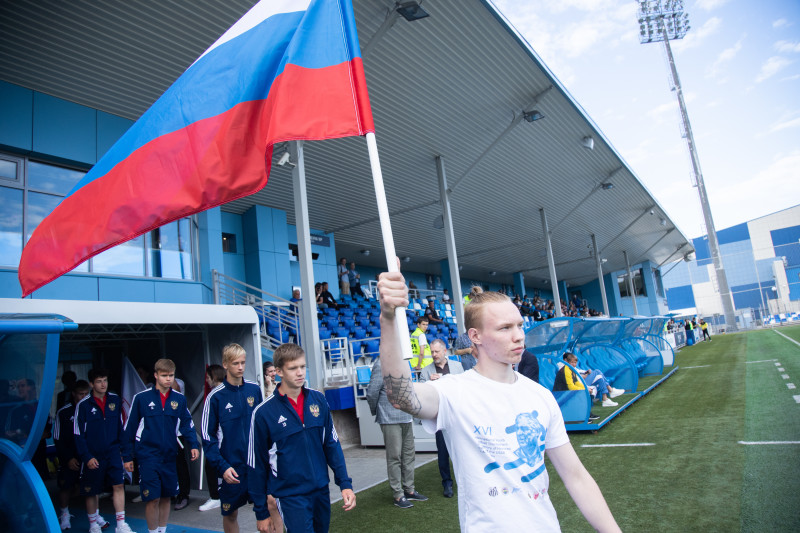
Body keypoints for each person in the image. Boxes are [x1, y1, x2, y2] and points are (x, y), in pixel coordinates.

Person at [376, 268, 621, 533]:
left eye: (519, 325)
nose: (518, 335)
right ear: (476, 337)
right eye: (505, 328)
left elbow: (577, 478)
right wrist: (388, 318)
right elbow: (401, 396)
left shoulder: (540, 396)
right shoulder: (454, 391)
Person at [248, 343, 356, 533]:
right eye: (293, 368)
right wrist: (261, 511)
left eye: (302, 367)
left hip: (321, 489)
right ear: (279, 371)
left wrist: (344, 483)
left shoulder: (318, 400)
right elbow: (256, 464)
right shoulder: (263, 413)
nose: (300, 373)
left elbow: (331, 444)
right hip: (290, 494)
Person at [123, 358, 200, 533]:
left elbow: (187, 423)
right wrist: (127, 456)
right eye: (164, 375)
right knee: (152, 499)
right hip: (148, 456)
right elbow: (130, 428)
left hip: (170, 455)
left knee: (167, 497)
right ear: (156, 375)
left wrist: (193, 444)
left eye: (171, 376)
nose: (168, 379)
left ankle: (162, 530)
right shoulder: (141, 398)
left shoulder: (179, 399)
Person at [202, 343, 266, 533]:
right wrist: (222, 466)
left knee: (269, 507)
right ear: (225, 364)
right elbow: (207, 437)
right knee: (230, 514)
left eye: (243, 363)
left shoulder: (254, 390)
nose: (240, 367)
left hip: (256, 466)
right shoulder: (215, 397)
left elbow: (263, 426)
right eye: (236, 363)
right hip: (231, 467)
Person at [74, 369, 134, 533]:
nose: (103, 384)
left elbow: (122, 430)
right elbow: (78, 435)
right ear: (92, 384)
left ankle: (121, 525)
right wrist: (86, 457)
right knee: (92, 491)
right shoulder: (83, 405)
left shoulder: (115, 400)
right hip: (93, 455)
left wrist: (127, 455)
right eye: (99, 381)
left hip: (113, 453)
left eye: (105, 380)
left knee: (119, 485)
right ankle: (93, 525)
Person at [366, 358, 427, 509]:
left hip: (406, 416)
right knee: (395, 457)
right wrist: (377, 411)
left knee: (408, 454)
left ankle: (410, 489)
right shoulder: (381, 363)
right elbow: (372, 392)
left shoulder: (405, 362)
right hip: (389, 417)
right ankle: (398, 495)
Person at [419, 339, 463, 498]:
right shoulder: (426, 371)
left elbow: (463, 388)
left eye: (437, 351)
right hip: (439, 417)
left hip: (457, 416)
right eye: (432, 352)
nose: (434, 355)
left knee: (462, 450)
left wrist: (447, 380)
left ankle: (464, 480)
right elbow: (421, 394)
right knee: (443, 452)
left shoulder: (457, 367)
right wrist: (431, 384)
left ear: (445, 351)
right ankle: (447, 483)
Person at [54, 379, 90, 530]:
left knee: (90, 487)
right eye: (80, 394)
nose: (83, 397)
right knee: (66, 486)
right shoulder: (63, 412)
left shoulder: (91, 408)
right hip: (70, 457)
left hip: (87, 456)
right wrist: (68, 458)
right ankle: (64, 514)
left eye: (86, 394)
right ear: (74, 394)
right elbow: (57, 438)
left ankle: (95, 516)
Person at [199, 365, 226, 513]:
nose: (207, 381)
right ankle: (216, 496)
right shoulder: (214, 394)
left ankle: (216, 497)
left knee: (212, 466)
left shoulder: (217, 395)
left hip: (222, 440)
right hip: (219, 440)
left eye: (208, 378)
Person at [554, 353, 623, 407]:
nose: (574, 364)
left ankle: (606, 397)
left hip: (579, 383)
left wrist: (585, 372)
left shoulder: (570, 368)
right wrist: (585, 386)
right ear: (566, 360)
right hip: (568, 390)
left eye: (575, 363)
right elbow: (573, 382)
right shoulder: (564, 368)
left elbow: (577, 375)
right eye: (572, 362)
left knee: (599, 375)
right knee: (598, 372)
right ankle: (609, 393)